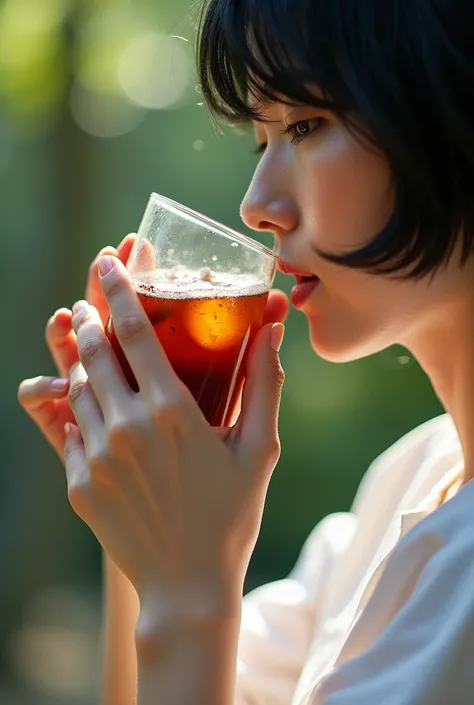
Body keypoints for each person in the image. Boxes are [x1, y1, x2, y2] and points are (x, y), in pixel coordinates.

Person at [17, 0, 474, 702]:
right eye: (263, 142)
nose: (257, 204)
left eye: (305, 124)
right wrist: (144, 510)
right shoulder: (409, 483)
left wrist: (187, 590)